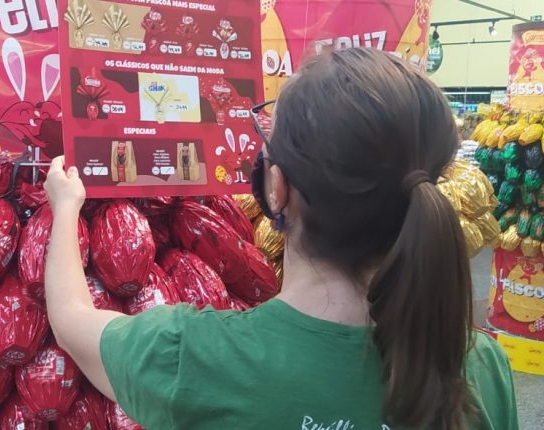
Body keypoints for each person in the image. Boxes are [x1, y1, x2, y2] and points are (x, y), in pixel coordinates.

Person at [43, 48, 518, 430]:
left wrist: (66, 206)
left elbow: (70, 319)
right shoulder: (482, 367)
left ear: (277, 188)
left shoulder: (193, 358)